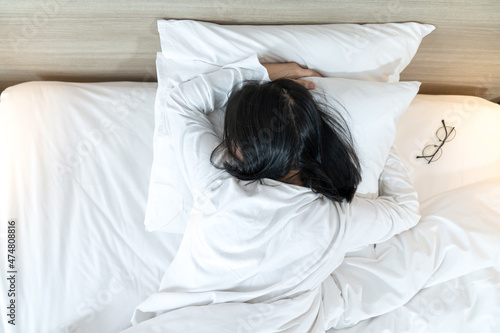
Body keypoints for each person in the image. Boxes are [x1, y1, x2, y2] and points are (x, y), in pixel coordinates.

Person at [128, 55, 420, 332]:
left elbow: (181, 101)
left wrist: (264, 72)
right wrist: (384, 142)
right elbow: (406, 211)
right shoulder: (339, 220)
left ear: (239, 149)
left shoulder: (217, 185)